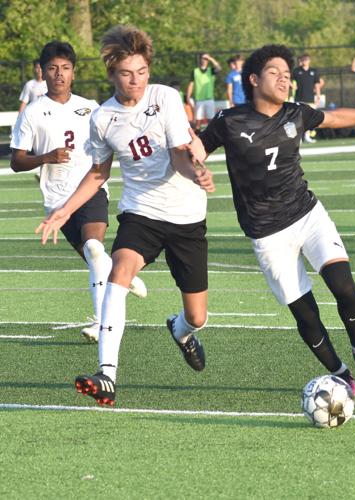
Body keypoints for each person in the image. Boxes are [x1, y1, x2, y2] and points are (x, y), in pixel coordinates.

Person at [195, 44, 355, 397]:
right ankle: (341, 372)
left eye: (288, 74)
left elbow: (337, 117)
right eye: (275, 73)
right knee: (307, 315)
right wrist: (197, 168)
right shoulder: (229, 121)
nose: (284, 79)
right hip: (267, 233)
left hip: (307, 214)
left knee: (345, 286)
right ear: (254, 79)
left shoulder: (296, 113)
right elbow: (196, 150)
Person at [37, 25, 215, 407]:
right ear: (111, 73)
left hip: (185, 215)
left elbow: (179, 154)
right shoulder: (102, 118)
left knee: (197, 316)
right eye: (126, 73)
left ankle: (180, 331)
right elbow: (99, 173)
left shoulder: (165, 97)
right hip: (141, 213)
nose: (135, 80)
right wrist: (63, 211)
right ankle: (107, 375)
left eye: (141, 72)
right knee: (117, 274)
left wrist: (195, 172)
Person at [10, 40, 147, 344]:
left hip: (90, 189)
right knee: (96, 257)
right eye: (53, 68)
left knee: (94, 248)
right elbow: (16, 161)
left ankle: (101, 324)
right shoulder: (32, 112)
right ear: (41, 72)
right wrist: (45, 157)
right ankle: (122, 275)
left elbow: (114, 139)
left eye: (66, 68)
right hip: (57, 200)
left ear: (73, 72)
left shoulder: (91, 108)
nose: (59, 74)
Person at [292, 53, 324, 143]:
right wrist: (292, 86)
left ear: (309, 61)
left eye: (306, 59)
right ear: (301, 61)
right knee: (298, 119)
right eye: (303, 59)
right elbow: (288, 80)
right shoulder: (296, 71)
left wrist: (318, 95)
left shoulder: (314, 71)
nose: (305, 61)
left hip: (310, 98)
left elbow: (317, 84)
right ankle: (299, 138)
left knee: (310, 119)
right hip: (299, 98)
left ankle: (307, 137)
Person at [186, 52, 221, 131]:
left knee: (211, 120)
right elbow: (191, 84)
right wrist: (188, 96)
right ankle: (197, 137)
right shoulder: (195, 71)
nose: (204, 60)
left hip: (209, 99)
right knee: (198, 121)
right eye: (203, 58)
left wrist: (210, 58)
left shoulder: (211, 71)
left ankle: (212, 137)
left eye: (206, 59)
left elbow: (219, 68)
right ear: (200, 59)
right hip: (199, 99)